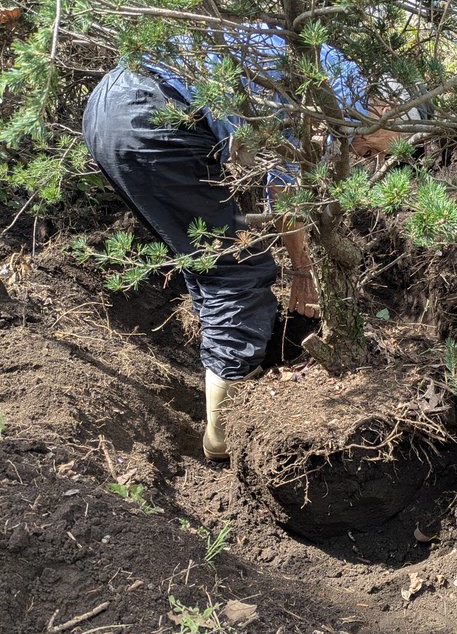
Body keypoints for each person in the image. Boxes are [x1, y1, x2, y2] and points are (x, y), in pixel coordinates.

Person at [81, 26, 386, 461]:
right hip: (153, 116)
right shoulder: (316, 99)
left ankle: (227, 374)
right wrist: (302, 270)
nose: (369, 158)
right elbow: (284, 191)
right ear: (385, 112)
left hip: (113, 104)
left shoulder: (330, 68)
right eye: (379, 149)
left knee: (204, 253)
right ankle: (224, 438)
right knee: (237, 266)